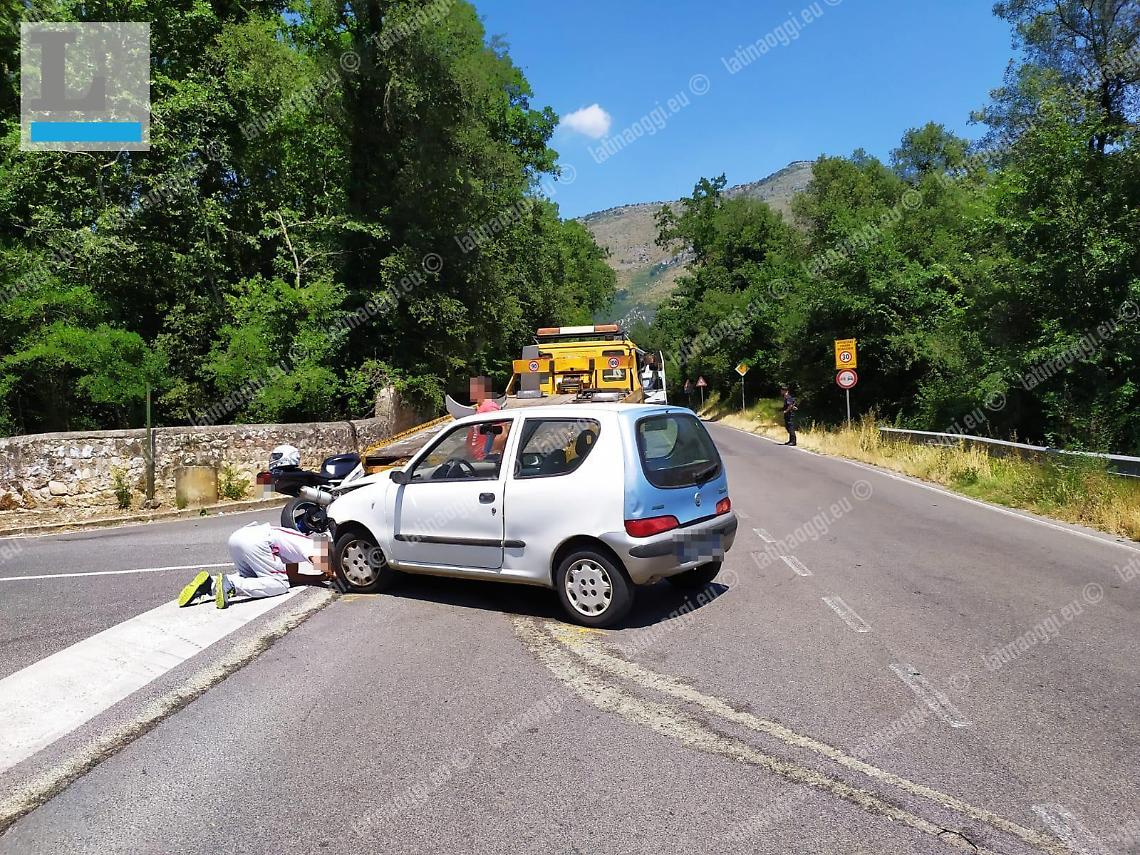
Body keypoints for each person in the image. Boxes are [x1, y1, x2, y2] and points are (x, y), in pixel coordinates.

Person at [177, 522, 333, 609]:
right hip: (258, 541)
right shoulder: (316, 543)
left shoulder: (294, 550)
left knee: (252, 579)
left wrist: (318, 577)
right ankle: (230, 584)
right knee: (279, 585)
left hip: (238, 537)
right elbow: (317, 558)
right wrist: (335, 575)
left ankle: (209, 584)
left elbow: (293, 577)